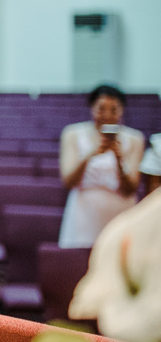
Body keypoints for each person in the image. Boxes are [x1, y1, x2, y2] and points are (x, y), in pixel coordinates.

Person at [58, 84, 145, 247]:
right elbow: (68, 181)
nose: (107, 115)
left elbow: (131, 187)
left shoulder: (135, 138)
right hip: (84, 214)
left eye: (114, 110)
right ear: (92, 108)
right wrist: (91, 154)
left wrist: (118, 160)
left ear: (122, 110)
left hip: (120, 213)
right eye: (101, 109)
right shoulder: (72, 133)